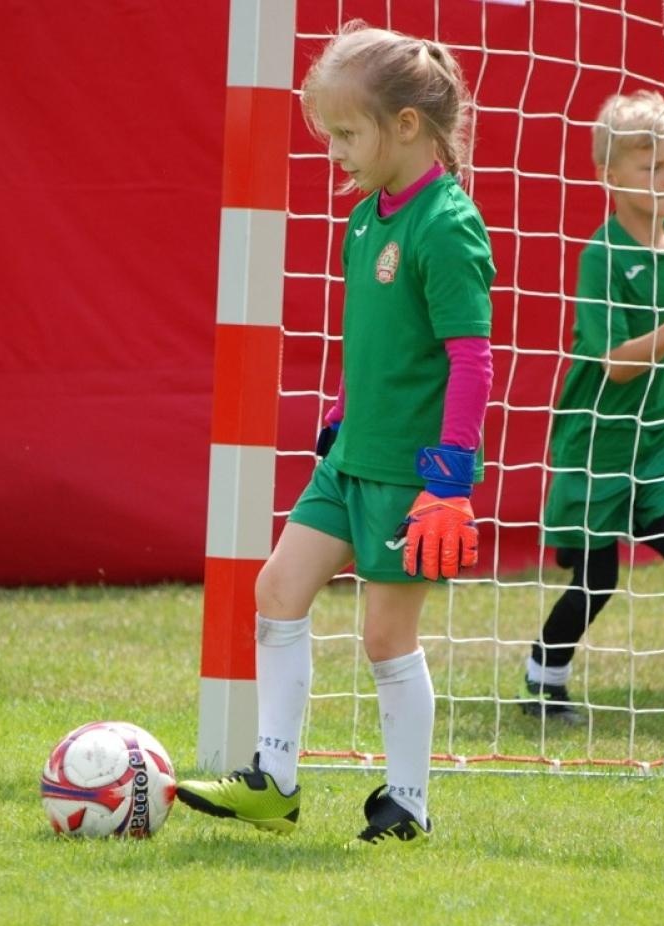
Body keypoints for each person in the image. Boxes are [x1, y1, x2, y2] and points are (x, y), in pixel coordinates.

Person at [176, 22, 495, 845]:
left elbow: (471, 358)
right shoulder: (365, 221)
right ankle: (275, 780)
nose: (336, 152)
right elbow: (369, 338)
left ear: (407, 126)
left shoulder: (447, 226)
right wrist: (339, 416)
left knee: (387, 636)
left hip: (411, 474)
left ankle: (408, 804)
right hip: (349, 462)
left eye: (347, 134)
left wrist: (449, 480)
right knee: (277, 589)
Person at [521, 91, 664, 726]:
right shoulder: (599, 257)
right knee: (596, 578)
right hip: (598, 437)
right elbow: (615, 362)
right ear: (609, 176)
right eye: (650, 169)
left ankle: (646, 513)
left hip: (661, 431)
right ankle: (542, 681)